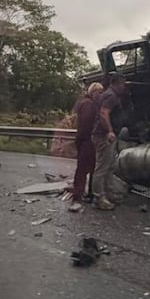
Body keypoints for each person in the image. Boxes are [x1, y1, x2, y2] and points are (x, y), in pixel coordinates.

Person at [91, 73, 128, 210]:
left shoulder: (107, 95)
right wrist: (110, 131)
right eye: (123, 84)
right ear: (118, 83)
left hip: (104, 135)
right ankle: (99, 198)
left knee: (109, 166)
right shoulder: (111, 96)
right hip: (104, 136)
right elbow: (104, 113)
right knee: (102, 167)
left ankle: (108, 194)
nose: (124, 87)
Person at [68, 82, 104, 212]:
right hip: (87, 140)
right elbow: (87, 124)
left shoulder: (83, 102)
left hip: (84, 140)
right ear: (94, 92)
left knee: (88, 168)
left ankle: (86, 193)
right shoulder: (89, 105)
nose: (101, 95)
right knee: (85, 168)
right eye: (99, 92)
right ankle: (79, 195)